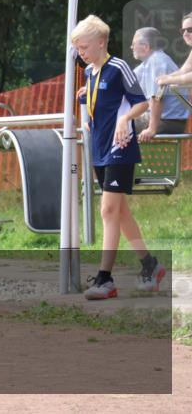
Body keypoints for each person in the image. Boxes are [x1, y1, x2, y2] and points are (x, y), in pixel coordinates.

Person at [71, 15, 166, 300]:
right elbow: (102, 98)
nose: (82, 53)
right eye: (78, 49)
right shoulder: (90, 72)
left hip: (120, 147)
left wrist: (125, 119)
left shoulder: (119, 67)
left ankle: (105, 279)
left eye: (85, 47)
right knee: (120, 213)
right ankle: (151, 264)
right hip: (99, 148)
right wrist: (85, 101)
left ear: (101, 42)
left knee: (108, 211)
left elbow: (140, 102)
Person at [130, 26, 189, 141]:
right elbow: (125, 80)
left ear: (146, 47)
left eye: (134, 44)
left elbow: (157, 98)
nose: (131, 47)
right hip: (166, 120)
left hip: (167, 121)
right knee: (116, 121)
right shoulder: (149, 62)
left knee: (114, 124)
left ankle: (103, 159)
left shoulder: (157, 62)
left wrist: (152, 128)